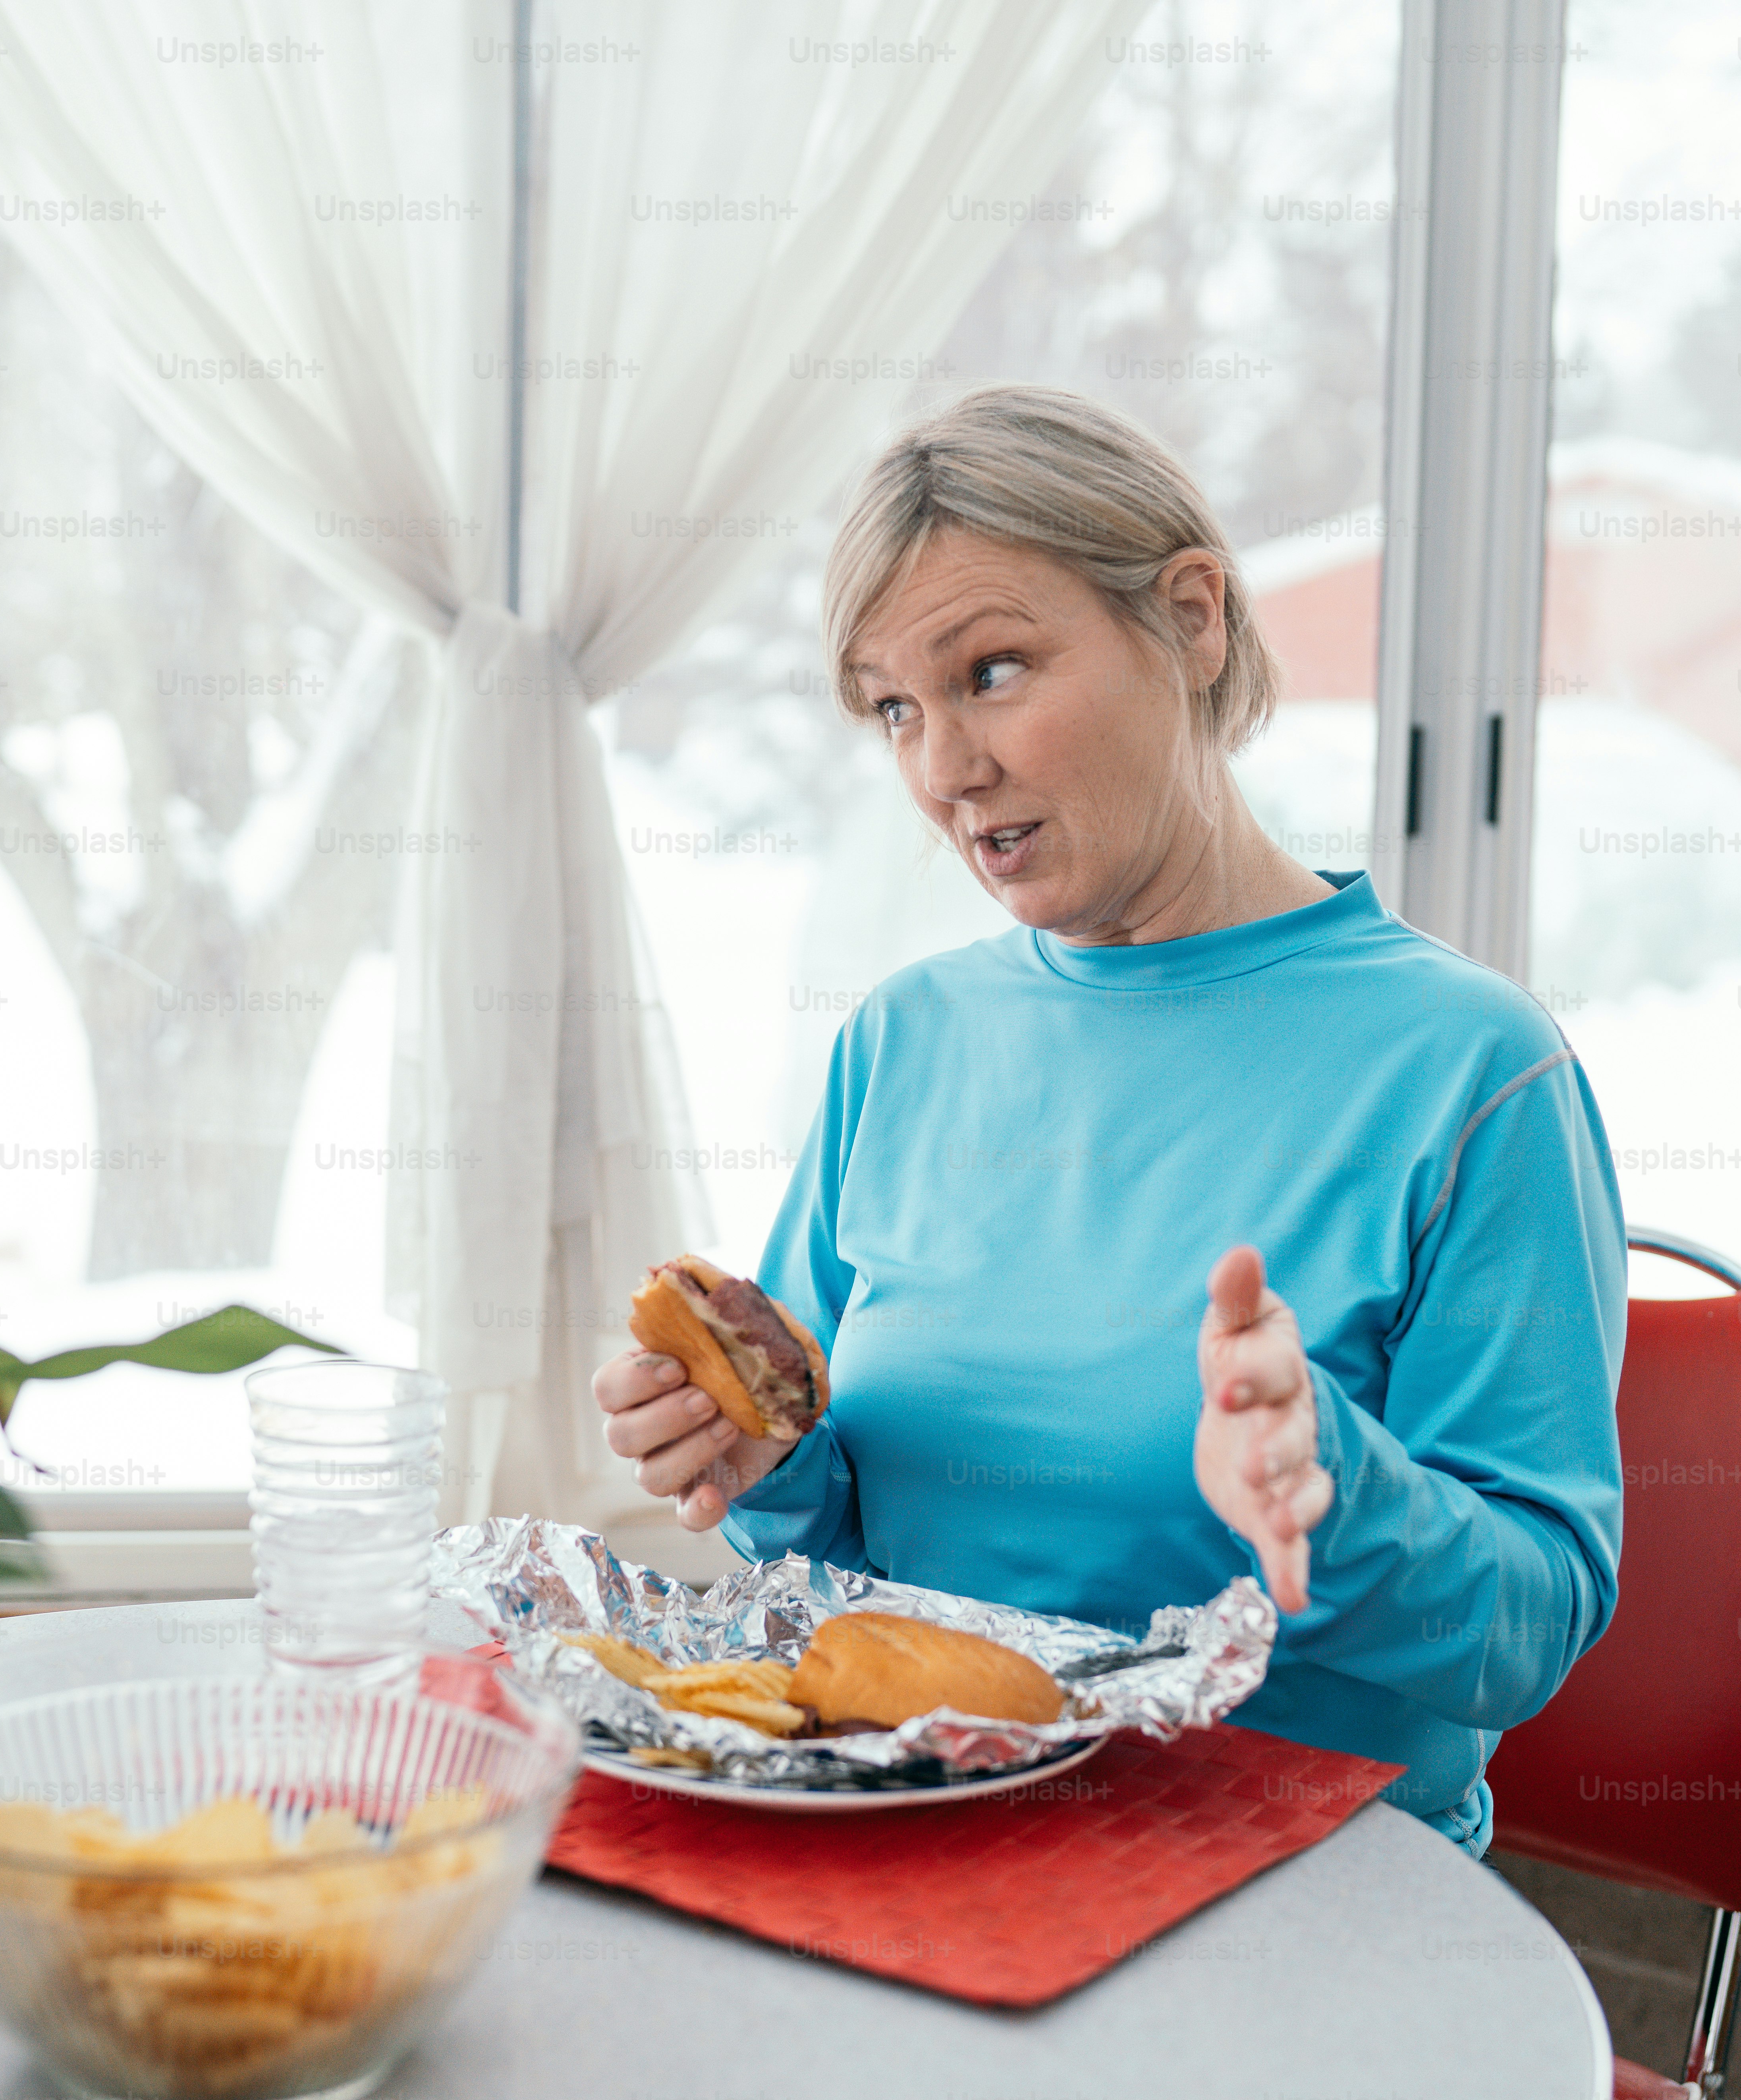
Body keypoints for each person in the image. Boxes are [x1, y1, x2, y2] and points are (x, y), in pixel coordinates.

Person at [593, 384, 1626, 1855]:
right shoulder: (901, 1042)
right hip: (930, 1849)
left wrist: (1335, 1489)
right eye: (898, 708)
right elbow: (843, 1554)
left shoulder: (1472, 1073)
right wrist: (762, 1465)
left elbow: (1525, 1636)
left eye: (994, 669)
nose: (946, 770)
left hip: (1294, 1899)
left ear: (1194, 621)